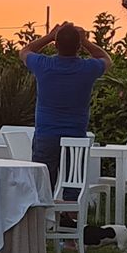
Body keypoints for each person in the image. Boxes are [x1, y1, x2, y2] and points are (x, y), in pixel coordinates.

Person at [18, 20, 112, 186]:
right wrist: (85, 41)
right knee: (73, 189)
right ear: (78, 47)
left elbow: (25, 51)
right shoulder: (87, 68)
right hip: (76, 138)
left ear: (56, 45)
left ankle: (45, 213)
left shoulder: (43, 65)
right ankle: (72, 211)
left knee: (43, 190)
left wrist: (49, 36)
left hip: (46, 136)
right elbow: (106, 59)